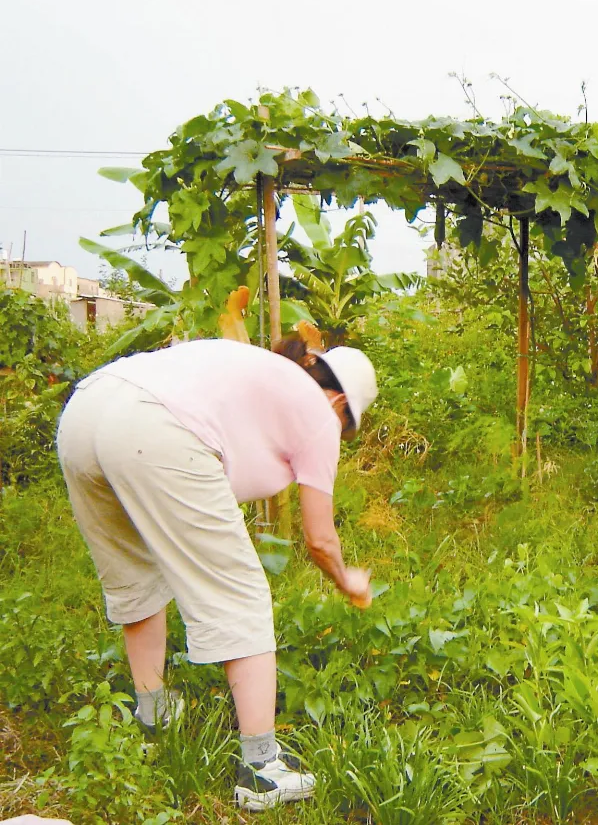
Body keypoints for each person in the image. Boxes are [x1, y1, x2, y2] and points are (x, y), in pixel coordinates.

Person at [55, 336, 377, 811]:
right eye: (346, 428)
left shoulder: (267, 377)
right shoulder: (316, 411)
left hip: (87, 409)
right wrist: (346, 578)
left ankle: (153, 719)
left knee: (135, 573)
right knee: (240, 592)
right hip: (154, 425)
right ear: (341, 401)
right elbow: (320, 539)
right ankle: (262, 770)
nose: (339, 436)